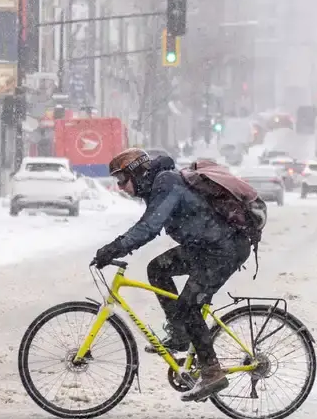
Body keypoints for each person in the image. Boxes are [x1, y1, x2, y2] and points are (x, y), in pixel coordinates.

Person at [92, 148, 252, 402]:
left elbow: (149, 226)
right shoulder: (158, 184)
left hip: (223, 250)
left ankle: (212, 372)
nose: (120, 186)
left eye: (122, 179)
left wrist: (115, 248)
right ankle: (180, 334)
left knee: (189, 305)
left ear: (136, 172)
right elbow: (150, 223)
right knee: (158, 268)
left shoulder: (166, 182)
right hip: (206, 247)